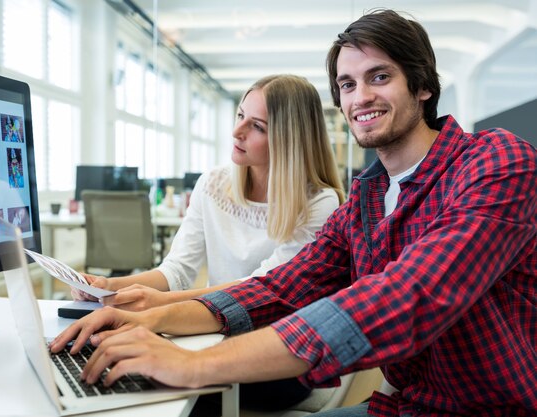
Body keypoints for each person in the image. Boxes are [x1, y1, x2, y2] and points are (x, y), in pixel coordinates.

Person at [51, 10, 537, 417]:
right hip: (404, 405)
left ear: (423, 86)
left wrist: (192, 364)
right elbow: (277, 289)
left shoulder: (496, 162)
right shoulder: (365, 199)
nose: (360, 97)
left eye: (380, 77)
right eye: (347, 84)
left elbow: (408, 296)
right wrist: (148, 318)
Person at [74, 74, 346, 410]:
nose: (237, 132)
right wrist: (110, 285)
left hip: (276, 354)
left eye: (257, 126)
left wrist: (159, 304)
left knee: (158, 388)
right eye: (240, 116)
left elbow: (260, 289)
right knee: (122, 363)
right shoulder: (214, 184)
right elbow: (177, 269)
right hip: (211, 331)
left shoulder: (319, 202)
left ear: (289, 140)